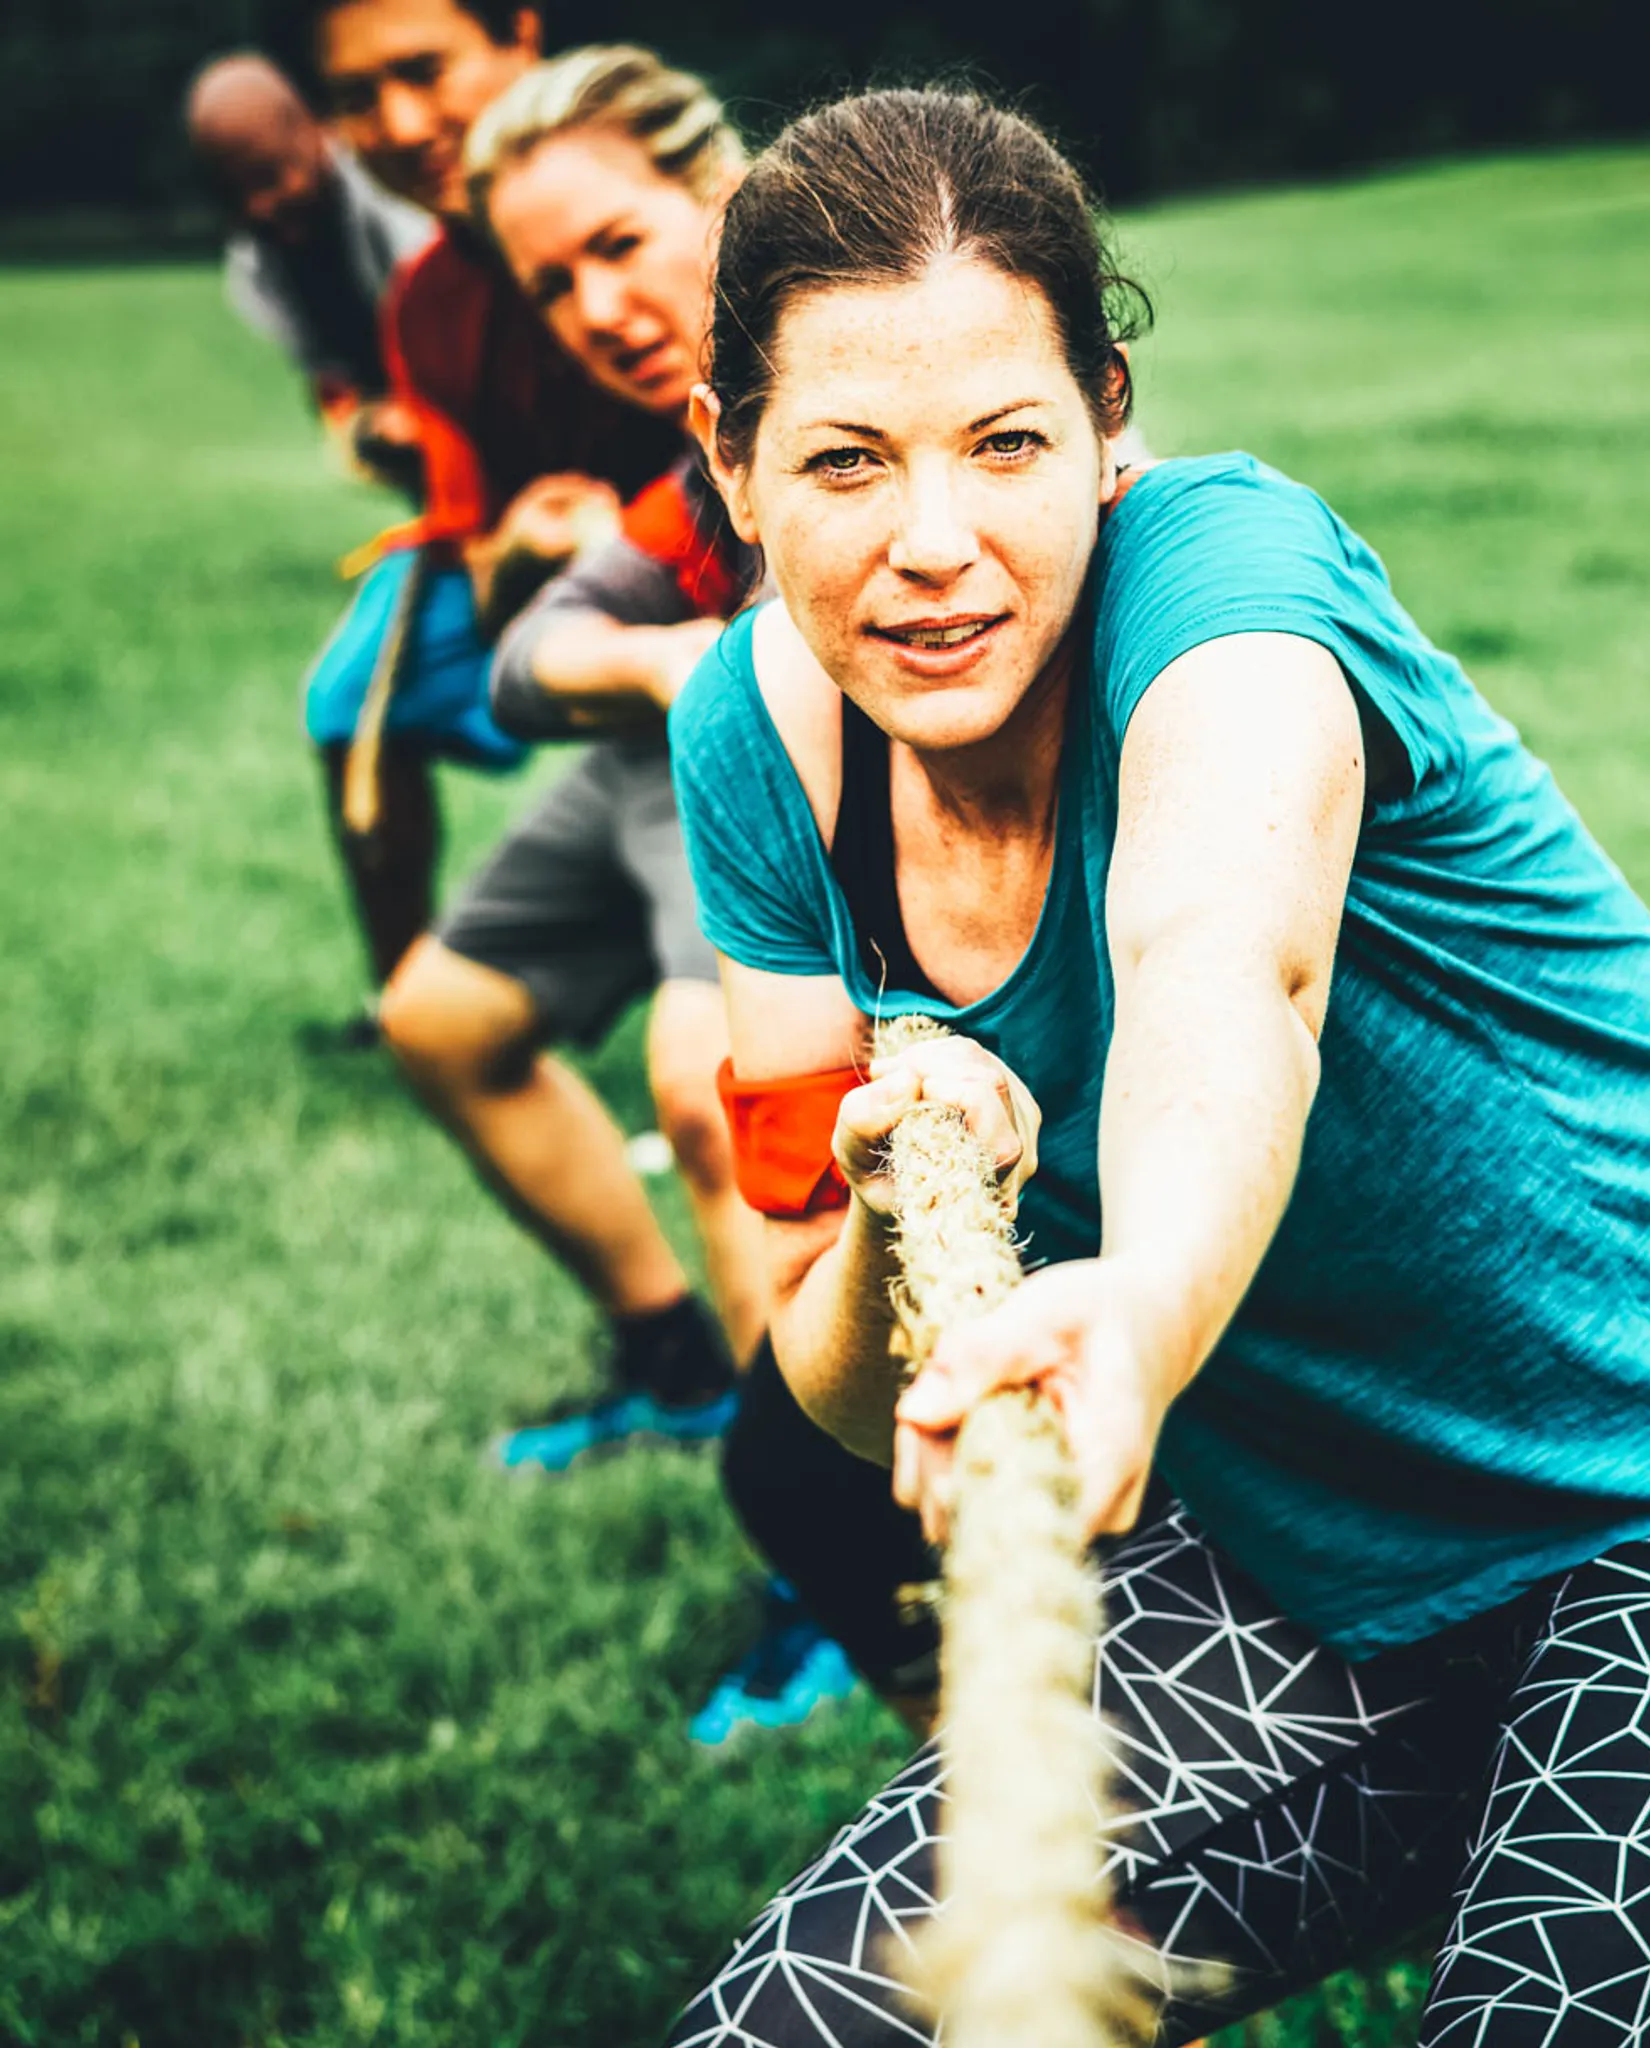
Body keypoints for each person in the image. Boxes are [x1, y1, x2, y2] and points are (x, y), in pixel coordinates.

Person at [663, 87, 1650, 2048]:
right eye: (846, 460)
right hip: (1322, 1546)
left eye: (1006, 444)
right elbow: (834, 1388)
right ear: (733, 460)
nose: (935, 546)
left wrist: (1138, 1307)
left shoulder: (1226, 590)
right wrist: (881, 1211)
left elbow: (1228, 965)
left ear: (1107, 423)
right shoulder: (755, 747)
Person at [433, 46, 941, 1735]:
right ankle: (675, 1365)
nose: (592, 307)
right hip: (684, 737)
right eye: (548, 283)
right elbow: (524, 662)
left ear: (718, 192)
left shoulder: (864, 354)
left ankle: (840, 1554)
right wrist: (666, 659)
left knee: (701, 1080)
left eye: (614, 245)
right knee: (440, 1017)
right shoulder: (697, 444)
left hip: (808, 764)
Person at [297, 0, 681, 1013]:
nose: (400, 123)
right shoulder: (427, 302)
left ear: (519, 32)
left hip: (716, 553)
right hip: (565, 571)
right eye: (355, 98)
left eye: (424, 70)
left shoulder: (666, 184)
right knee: (347, 696)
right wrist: (517, 551)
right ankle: (402, 994)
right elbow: (472, 541)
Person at [186, 51, 430, 495]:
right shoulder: (255, 268)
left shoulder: (403, 201)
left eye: (269, 176)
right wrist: (366, 426)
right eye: (232, 191)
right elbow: (334, 393)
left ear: (315, 130)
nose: (258, 206)